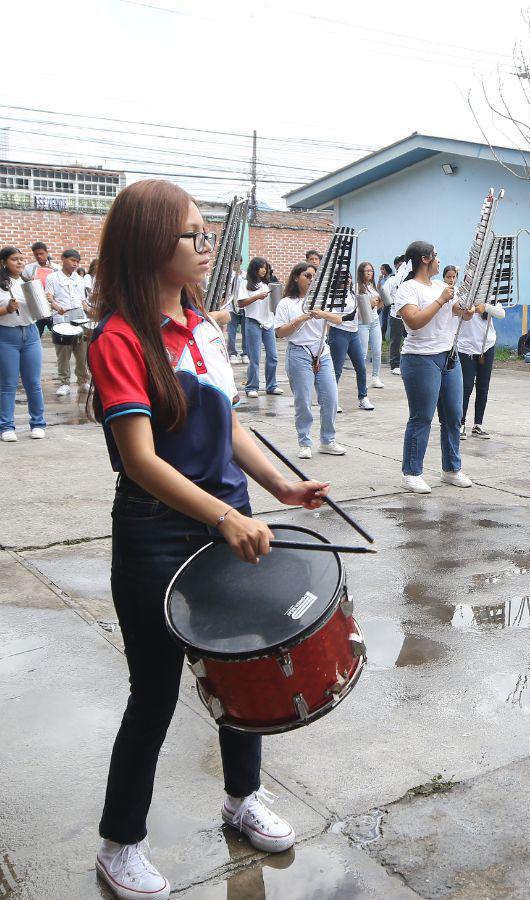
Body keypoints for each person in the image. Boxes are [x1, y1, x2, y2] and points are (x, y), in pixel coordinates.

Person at [86, 180, 329, 900]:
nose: (205, 245)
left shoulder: (204, 326)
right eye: (192, 234)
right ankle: (120, 842)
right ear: (149, 244)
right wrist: (224, 518)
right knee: (155, 695)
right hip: (159, 536)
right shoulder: (119, 338)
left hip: (230, 520)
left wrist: (280, 489)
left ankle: (242, 797)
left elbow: (230, 427)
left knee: (245, 668)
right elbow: (141, 460)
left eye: (204, 232)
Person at [395, 241, 474, 494]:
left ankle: (451, 468)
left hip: (449, 356)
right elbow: (415, 321)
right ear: (425, 259)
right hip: (420, 359)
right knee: (422, 416)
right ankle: (412, 472)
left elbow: (462, 313)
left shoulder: (443, 286)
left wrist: (467, 308)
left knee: (453, 415)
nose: (440, 261)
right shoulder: (408, 288)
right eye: (436, 256)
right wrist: (441, 300)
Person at [274, 262, 346, 458]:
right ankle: (304, 441)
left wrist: (321, 313)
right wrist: (301, 319)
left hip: (322, 351)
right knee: (303, 400)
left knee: (330, 397)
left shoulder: (321, 300)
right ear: (296, 278)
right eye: (307, 275)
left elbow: (338, 319)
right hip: (299, 352)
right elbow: (279, 332)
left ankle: (328, 440)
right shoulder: (287, 303)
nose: (311, 279)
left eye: (314, 276)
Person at [0, 247, 47, 441]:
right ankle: (6, 427)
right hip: (6, 336)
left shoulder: (29, 283)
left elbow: (40, 312)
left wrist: (46, 301)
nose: (19, 262)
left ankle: (38, 423)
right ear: (3, 262)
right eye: (14, 259)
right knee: (8, 384)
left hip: (31, 333)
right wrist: (6, 309)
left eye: (21, 259)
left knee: (33, 383)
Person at [458, 288, 506, 440]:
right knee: (465, 386)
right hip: (466, 348)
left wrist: (486, 307)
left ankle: (478, 424)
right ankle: (460, 423)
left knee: (483, 386)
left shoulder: (491, 297)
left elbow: (501, 313)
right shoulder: (464, 295)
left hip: (486, 346)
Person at [327, 264, 374, 413]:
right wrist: (346, 317)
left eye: (348, 276)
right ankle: (332, 399)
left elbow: (359, 315)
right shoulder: (332, 296)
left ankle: (363, 397)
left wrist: (370, 306)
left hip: (353, 333)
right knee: (337, 368)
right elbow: (331, 318)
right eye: (343, 277)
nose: (347, 279)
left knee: (361, 366)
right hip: (339, 333)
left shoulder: (353, 293)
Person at [46, 248, 91, 396]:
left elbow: (83, 301)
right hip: (62, 316)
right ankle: (64, 382)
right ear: (63, 259)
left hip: (79, 315)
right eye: (72, 260)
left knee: (82, 350)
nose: (75, 264)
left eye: (77, 262)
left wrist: (90, 312)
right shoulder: (53, 277)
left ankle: (83, 381)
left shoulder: (79, 279)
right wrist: (57, 307)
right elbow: (49, 297)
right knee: (63, 352)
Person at [237, 257, 281, 399]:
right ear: (254, 268)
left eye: (265, 267)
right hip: (253, 321)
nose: (263, 269)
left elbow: (276, 303)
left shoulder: (268, 283)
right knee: (255, 357)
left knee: (273, 356)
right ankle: (251, 386)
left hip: (269, 322)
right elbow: (241, 303)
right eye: (261, 267)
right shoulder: (246, 284)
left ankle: (272, 385)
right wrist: (257, 297)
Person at [357, 262, 384, 389]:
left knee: (377, 350)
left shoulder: (372, 286)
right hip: (363, 322)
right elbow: (357, 308)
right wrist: (370, 304)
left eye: (371, 270)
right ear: (361, 272)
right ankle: (362, 378)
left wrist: (380, 303)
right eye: (366, 271)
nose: (369, 273)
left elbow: (377, 306)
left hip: (375, 321)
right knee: (362, 352)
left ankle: (375, 377)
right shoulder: (357, 287)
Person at [22, 241, 59, 335]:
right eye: (36, 254)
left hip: (53, 305)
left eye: (41, 253)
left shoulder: (57, 268)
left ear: (47, 253)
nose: (39, 256)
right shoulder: (29, 268)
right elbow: (24, 286)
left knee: (58, 334)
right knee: (36, 334)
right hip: (37, 306)